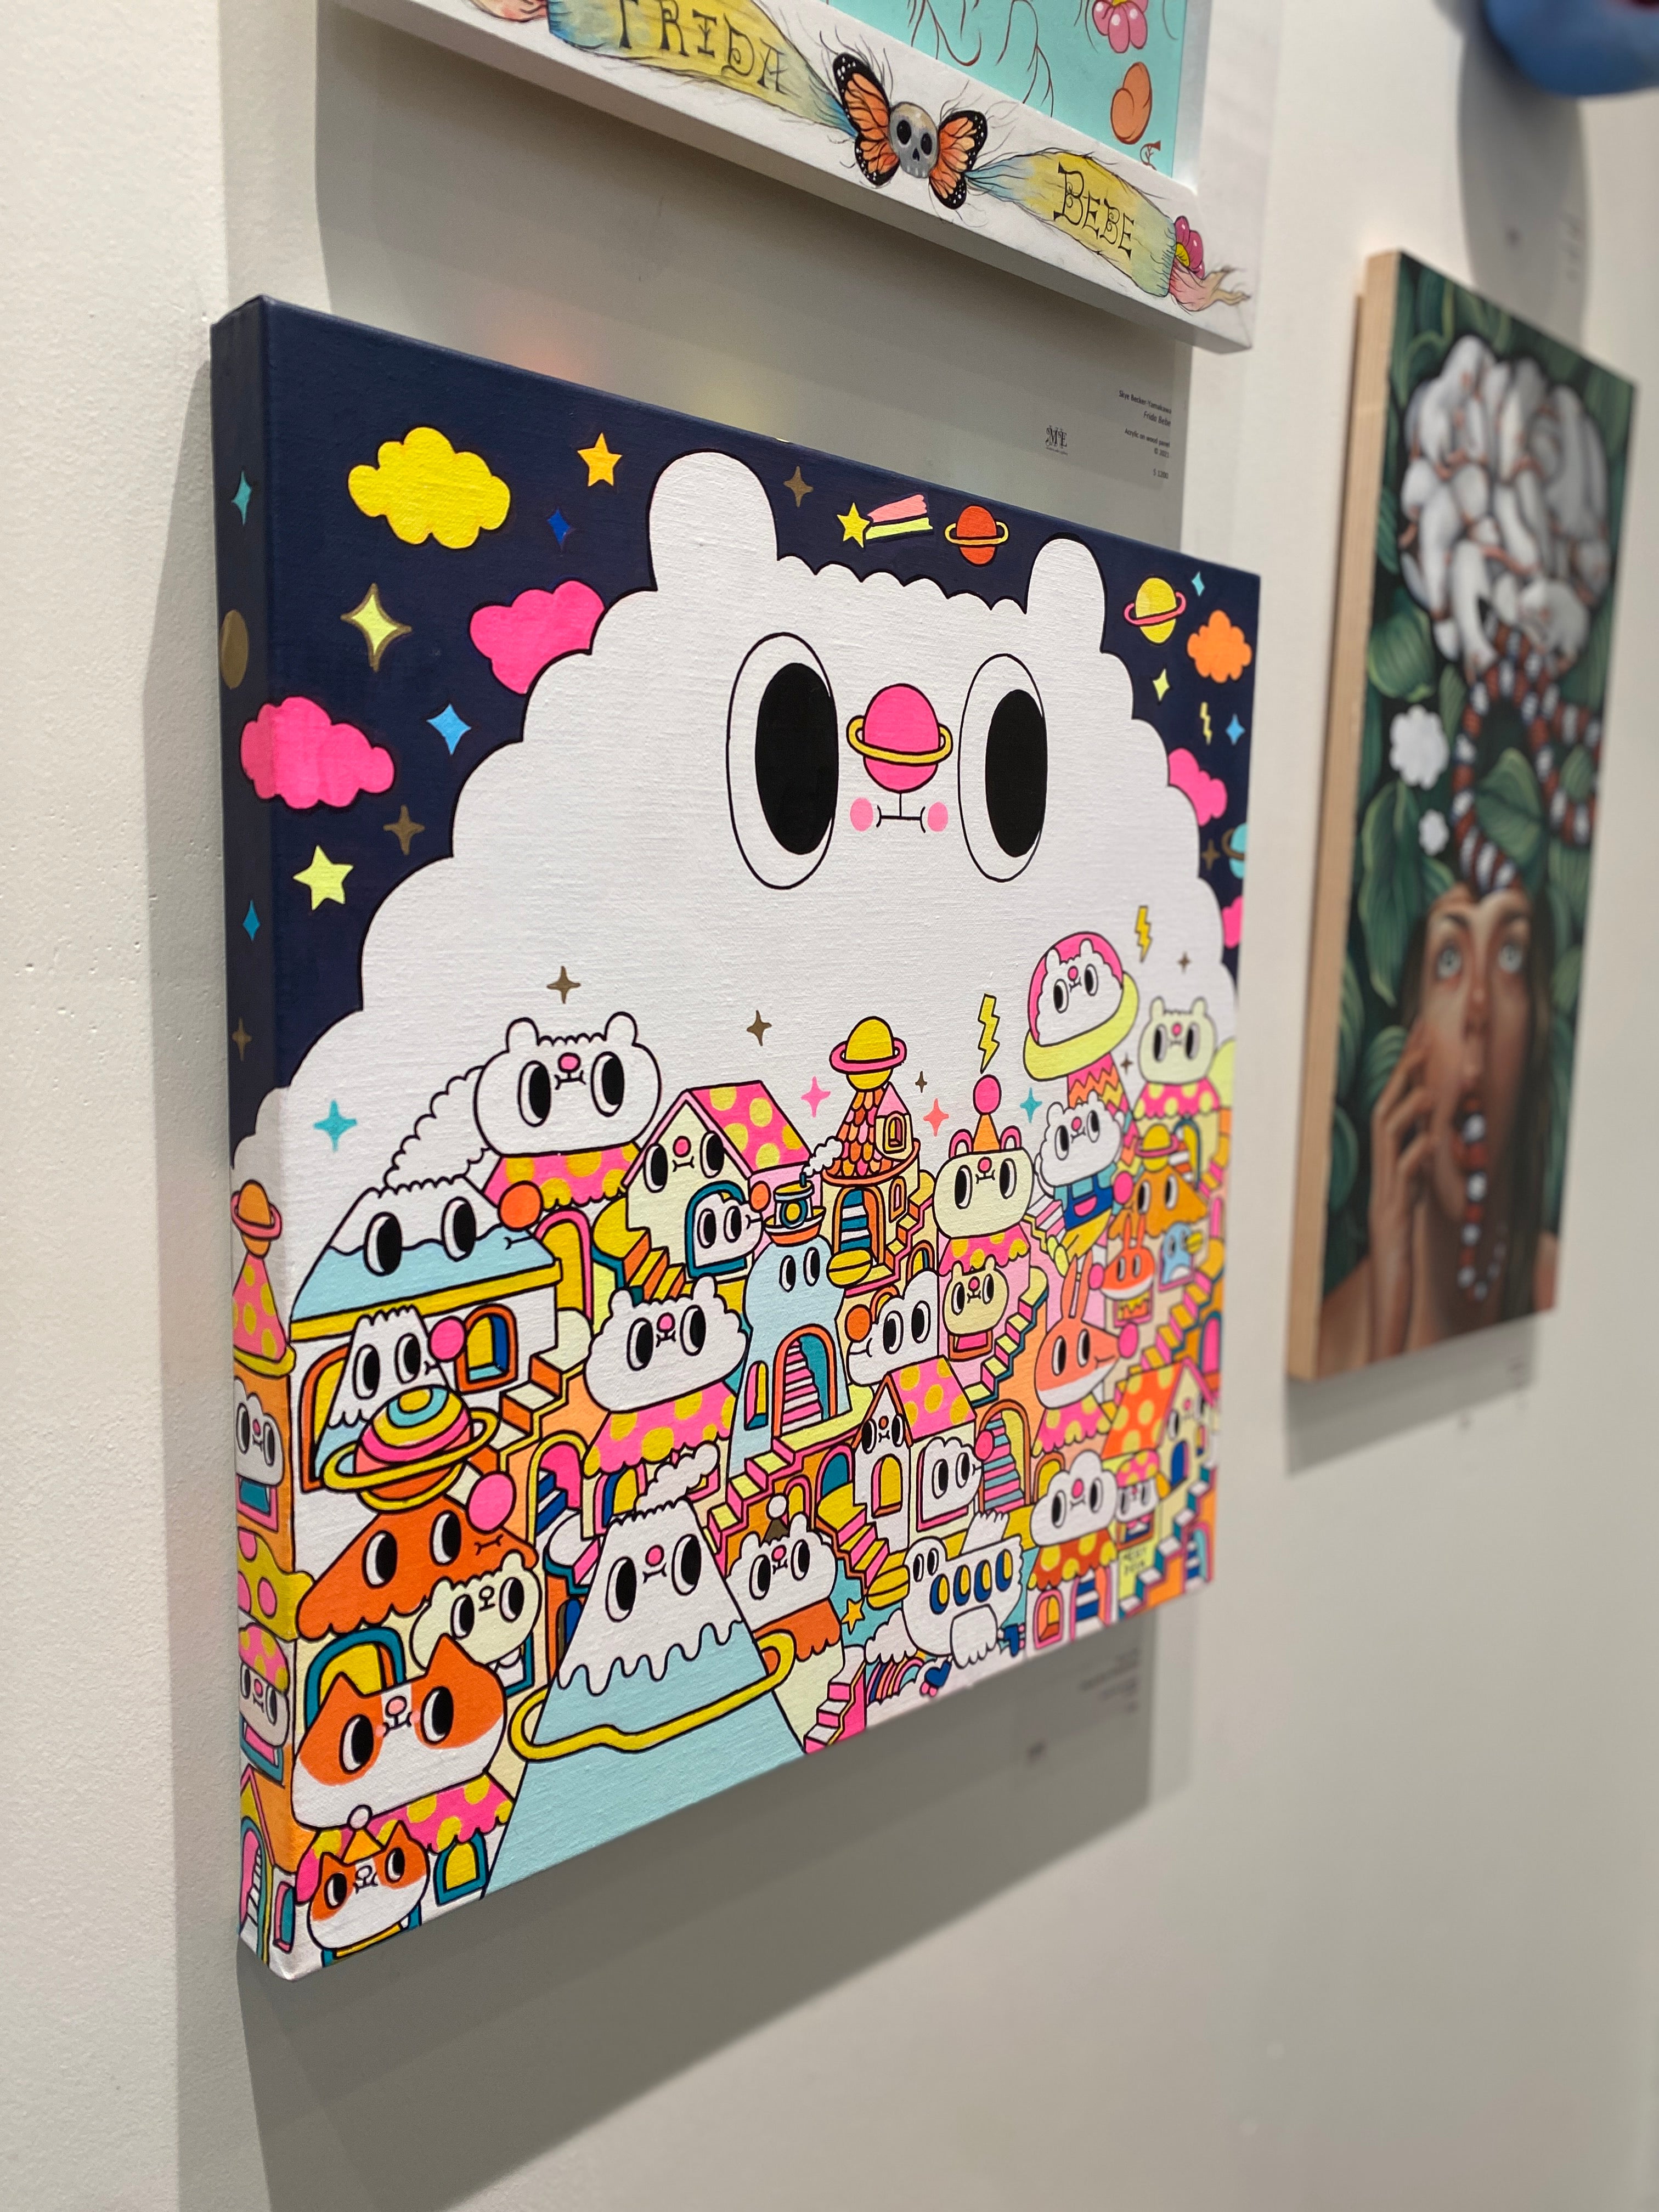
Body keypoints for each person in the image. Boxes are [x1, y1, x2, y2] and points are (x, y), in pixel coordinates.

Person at [1318, 878, 1556, 1373]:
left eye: (1509, 957)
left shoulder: (1559, 1283)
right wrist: (1388, 1324)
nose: (1479, 1008)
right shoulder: (1330, 1343)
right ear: (1412, 1039)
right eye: (1449, 960)